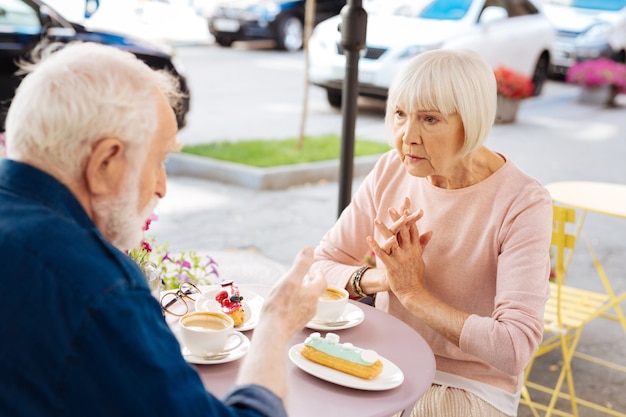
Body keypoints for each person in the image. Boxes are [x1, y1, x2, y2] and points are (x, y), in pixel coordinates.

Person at [0, 41, 325, 417]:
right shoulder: (98, 290)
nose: (161, 187)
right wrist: (275, 325)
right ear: (106, 162)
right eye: (159, 160)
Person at [312, 49, 553, 417]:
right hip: (387, 359)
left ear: (470, 122)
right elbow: (322, 265)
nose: (407, 137)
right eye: (400, 115)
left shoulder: (523, 202)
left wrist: (413, 294)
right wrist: (382, 279)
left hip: (470, 383)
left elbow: (514, 347)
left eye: (429, 119)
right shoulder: (391, 169)